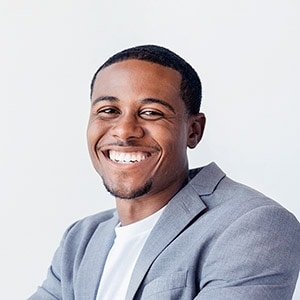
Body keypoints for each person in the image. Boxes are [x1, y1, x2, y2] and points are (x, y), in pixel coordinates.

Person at [29, 45, 300, 300]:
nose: (124, 131)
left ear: (193, 131)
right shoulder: (81, 239)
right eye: (108, 110)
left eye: (150, 112)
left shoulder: (253, 225)